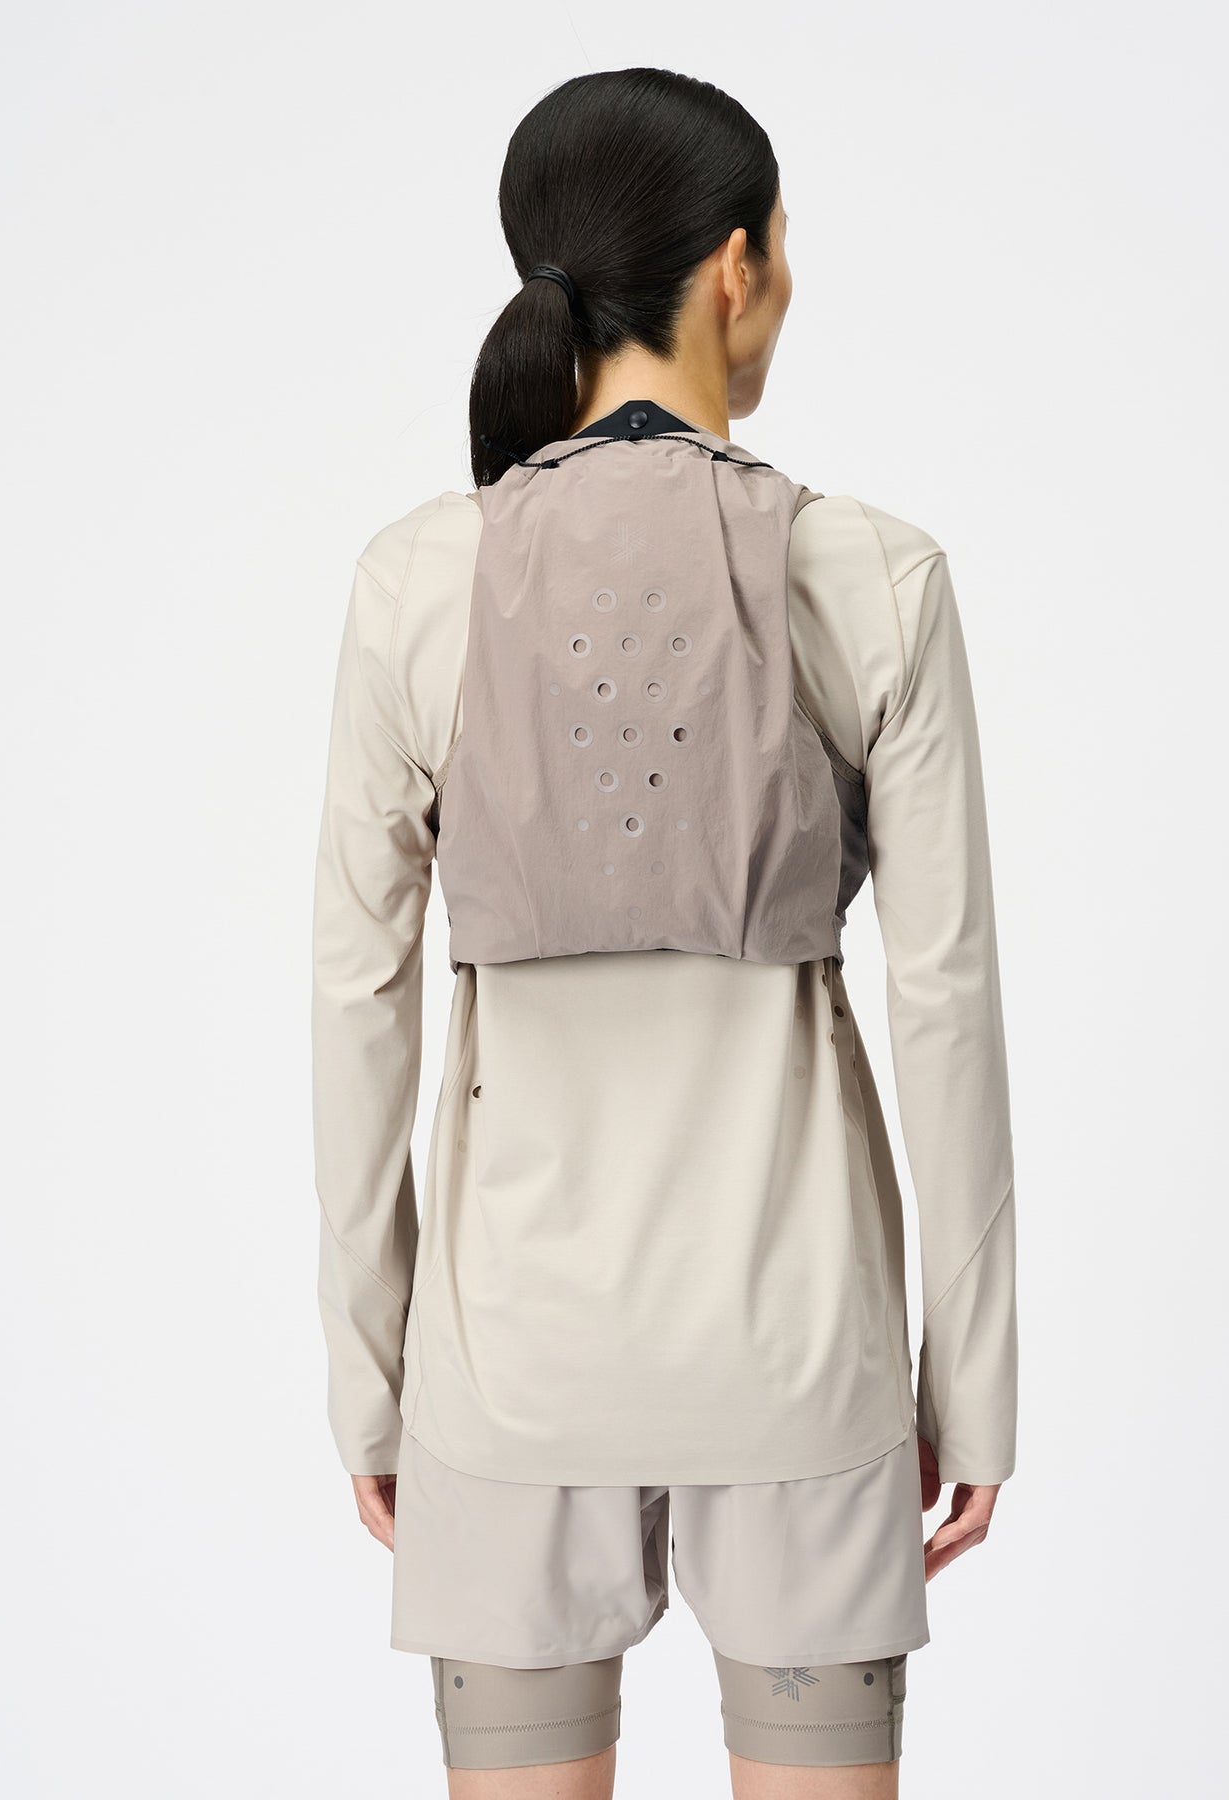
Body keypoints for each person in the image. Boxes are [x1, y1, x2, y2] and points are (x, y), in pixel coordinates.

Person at [311, 65, 1017, 1800]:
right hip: (800, 1364)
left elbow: (357, 1002)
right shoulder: (873, 576)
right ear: (736, 266)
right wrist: (975, 1384)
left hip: (507, 1374)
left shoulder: (418, 580)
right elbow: (943, 1002)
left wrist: (370, 1379)